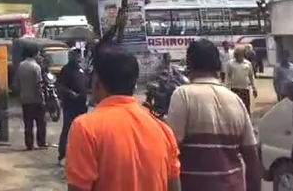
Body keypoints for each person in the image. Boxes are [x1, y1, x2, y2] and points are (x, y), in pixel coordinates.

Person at [65, 43, 181, 191]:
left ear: (97, 82)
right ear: (134, 84)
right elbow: (174, 186)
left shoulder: (85, 128)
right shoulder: (163, 130)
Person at [166, 39, 262, 191]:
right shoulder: (235, 100)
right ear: (217, 64)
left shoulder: (183, 95)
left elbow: (170, 152)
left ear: (189, 64)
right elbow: (252, 158)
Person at [57, 47, 88, 164]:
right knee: (67, 129)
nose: (77, 56)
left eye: (79, 54)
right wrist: (70, 93)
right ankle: (62, 155)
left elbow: (87, 84)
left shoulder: (82, 69)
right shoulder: (66, 70)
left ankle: (80, 156)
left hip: (82, 105)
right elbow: (60, 86)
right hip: (70, 105)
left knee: (82, 131)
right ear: (70, 56)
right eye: (75, 54)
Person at [16, 43, 46, 150]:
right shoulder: (36, 67)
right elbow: (38, 84)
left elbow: (18, 82)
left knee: (28, 124)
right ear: (34, 53)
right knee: (41, 123)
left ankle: (29, 144)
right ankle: (41, 143)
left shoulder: (21, 65)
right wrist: (42, 98)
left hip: (25, 99)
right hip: (36, 99)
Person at [226, 46, 257, 112]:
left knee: (246, 107)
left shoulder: (248, 64)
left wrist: (254, 88)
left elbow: (251, 76)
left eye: (240, 54)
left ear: (243, 54)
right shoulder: (230, 63)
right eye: (237, 55)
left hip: (245, 89)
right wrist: (227, 88)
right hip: (234, 89)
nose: (238, 56)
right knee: (235, 107)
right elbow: (228, 77)